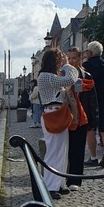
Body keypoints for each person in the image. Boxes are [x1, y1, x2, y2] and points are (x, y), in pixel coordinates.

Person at [37, 47, 78, 199]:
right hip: (53, 113)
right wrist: (68, 66)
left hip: (57, 113)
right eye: (60, 59)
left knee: (62, 151)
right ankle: (50, 186)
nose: (61, 62)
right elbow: (70, 79)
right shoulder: (46, 76)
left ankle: (59, 183)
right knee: (54, 151)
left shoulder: (48, 76)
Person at [65, 47, 97, 191]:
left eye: (74, 58)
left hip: (81, 116)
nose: (71, 61)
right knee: (66, 149)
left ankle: (75, 179)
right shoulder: (62, 75)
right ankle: (63, 177)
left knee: (78, 148)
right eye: (69, 58)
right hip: (66, 116)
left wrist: (93, 119)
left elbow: (92, 99)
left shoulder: (86, 76)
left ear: (80, 59)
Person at [83, 40, 104, 168]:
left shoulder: (86, 66)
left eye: (87, 51)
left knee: (91, 129)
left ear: (90, 52)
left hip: (91, 101)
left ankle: (93, 158)